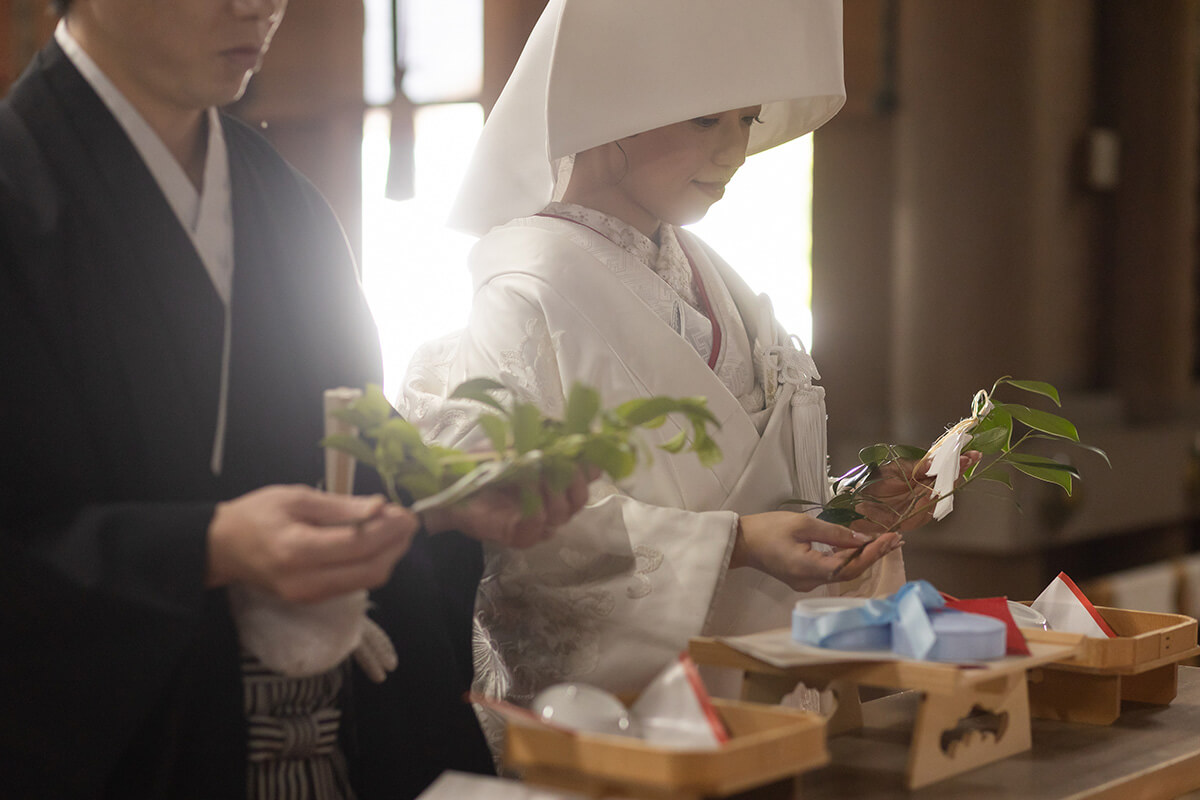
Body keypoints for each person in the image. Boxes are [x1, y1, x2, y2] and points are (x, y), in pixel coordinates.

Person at [0, 0, 593, 797]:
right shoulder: (16, 194)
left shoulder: (277, 195)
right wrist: (208, 548)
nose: (259, 7)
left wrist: (442, 490)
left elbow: (341, 428)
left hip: (322, 736)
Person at [401, 0, 964, 726]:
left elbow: (728, 476)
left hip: (759, 680)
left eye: (746, 120)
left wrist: (845, 506)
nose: (732, 150)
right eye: (706, 119)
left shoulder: (705, 270)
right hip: (627, 714)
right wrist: (732, 543)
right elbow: (522, 532)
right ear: (609, 104)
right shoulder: (525, 289)